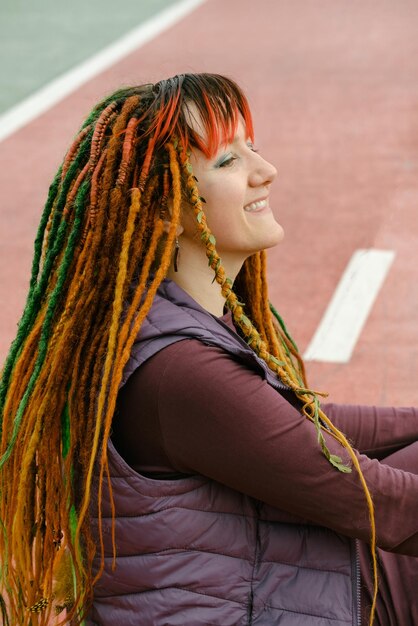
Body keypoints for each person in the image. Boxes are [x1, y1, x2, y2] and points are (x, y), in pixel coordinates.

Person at [0, 73, 417, 626]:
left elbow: (308, 428)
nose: (265, 171)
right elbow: (382, 505)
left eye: (253, 148)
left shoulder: (177, 325)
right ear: (162, 210)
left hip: (264, 586)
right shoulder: (183, 374)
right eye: (227, 162)